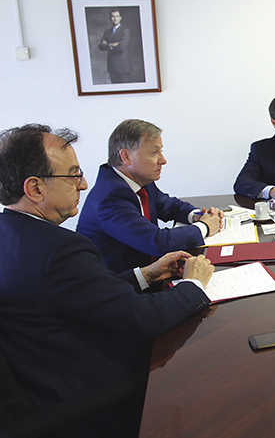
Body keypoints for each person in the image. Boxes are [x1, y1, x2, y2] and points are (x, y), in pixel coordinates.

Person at [0, 124, 214, 437]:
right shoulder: (59, 249)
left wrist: (145, 274)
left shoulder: (13, 234)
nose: (84, 184)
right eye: (73, 175)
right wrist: (192, 285)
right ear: (35, 189)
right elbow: (142, 319)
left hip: (30, 392)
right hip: (79, 400)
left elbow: (81, 294)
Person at [77, 119, 224, 273]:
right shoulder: (110, 197)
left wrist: (197, 215)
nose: (163, 160)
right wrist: (205, 226)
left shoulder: (139, 179)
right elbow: (157, 242)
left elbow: (168, 205)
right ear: (126, 157)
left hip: (150, 272)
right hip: (121, 287)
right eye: (154, 152)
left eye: (161, 151)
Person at [99, 9, 131, 84]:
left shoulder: (125, 30)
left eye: (117, 16)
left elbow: (122, 47)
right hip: (111, 66)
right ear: (110, 18)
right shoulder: (107, 32)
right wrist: (113, 44)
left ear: (120, 18)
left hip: (122, 67)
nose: (115, 18)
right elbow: (101, 46)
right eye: (113, 16)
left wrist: (107, 44)